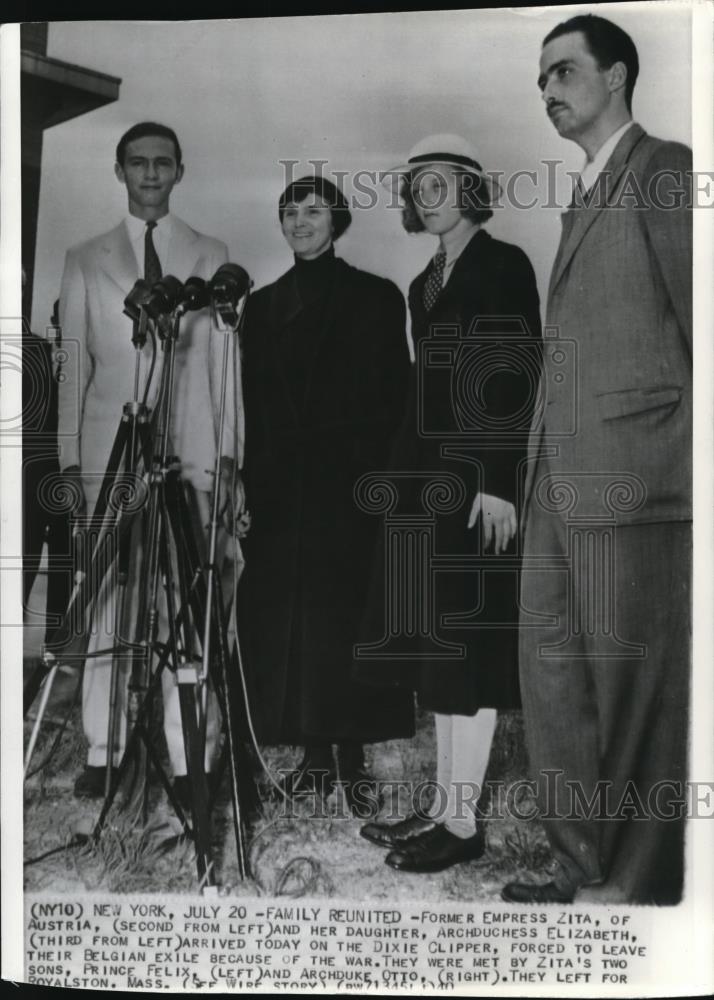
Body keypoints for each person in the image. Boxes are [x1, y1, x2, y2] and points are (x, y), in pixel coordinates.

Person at [502, 15, 692, 905]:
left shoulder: (666, 169)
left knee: (635, 688)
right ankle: (582, 863)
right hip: (556, 476)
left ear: (616, 76)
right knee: (553, 675)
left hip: (637, 474)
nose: (548, 90)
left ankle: (641, 882)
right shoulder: (584, 192)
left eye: (564, 71)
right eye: (541, 77)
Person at [357, 135, 542, 871]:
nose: (428, 197)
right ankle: (443, 808)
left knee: (472, 653)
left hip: (480, 488)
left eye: (441, 184)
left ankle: (463, 827)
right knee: (440, 651)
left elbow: (515, 373)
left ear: (470, 190)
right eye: (418, 188)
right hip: (429, 487)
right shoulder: (422, 283)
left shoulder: (504, 264)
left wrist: (498, 481)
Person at [57, 121, 240, 802]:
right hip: (111, 454)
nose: (151, 174)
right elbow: (74, 369)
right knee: (105, 600)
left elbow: (225, 369)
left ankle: (192, 754)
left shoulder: (210, 251)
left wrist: (227, 459)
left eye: (163, 163)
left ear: (180, 171)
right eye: (139, 163)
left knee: (186, 607)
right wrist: (73, 464)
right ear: (120, 171)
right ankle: (104, 750)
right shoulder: (84, 257)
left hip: (187, 454)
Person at [238, 174, 414, 811]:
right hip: (284, 490)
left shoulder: (375, 296)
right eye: (290, 211)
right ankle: (314, 758)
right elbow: (252, 408)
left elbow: (398, 398)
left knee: (348, 618)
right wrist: (249, 488)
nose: (300, 221)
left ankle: (354, 760)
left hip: (353, 489)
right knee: (296, 621)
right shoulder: (259, 308)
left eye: (314, 211)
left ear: (337, 221)